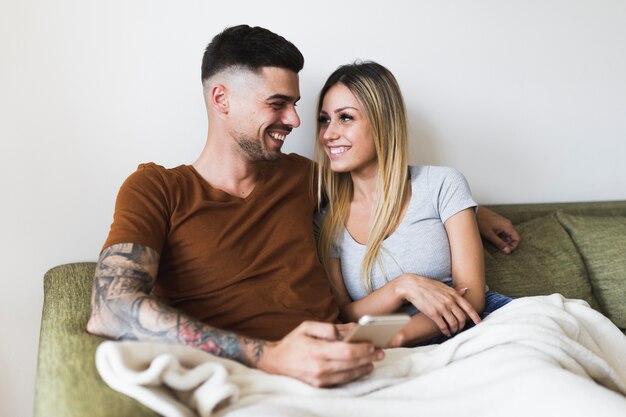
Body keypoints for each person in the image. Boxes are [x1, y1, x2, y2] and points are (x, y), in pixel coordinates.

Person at [87, 25, 519, 387]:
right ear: (222, 99)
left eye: (294, 105)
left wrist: (471, 212)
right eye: (278, 104)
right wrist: (270, 356)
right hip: (258, 373)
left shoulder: (303, 177)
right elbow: (111, 308)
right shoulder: (157, 188)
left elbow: (379, 187)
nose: (295, 121)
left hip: (353, 356)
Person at [314, 61, 513, 347]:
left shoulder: (442, 184)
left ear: (383, 121)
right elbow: (344, 314)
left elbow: (471, 296)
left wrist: (398, 337)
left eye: (345, 117)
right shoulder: (327, 220)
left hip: (475, 327)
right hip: (390, 346)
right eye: (324, 119)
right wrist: (401, 287)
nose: (328, 134)